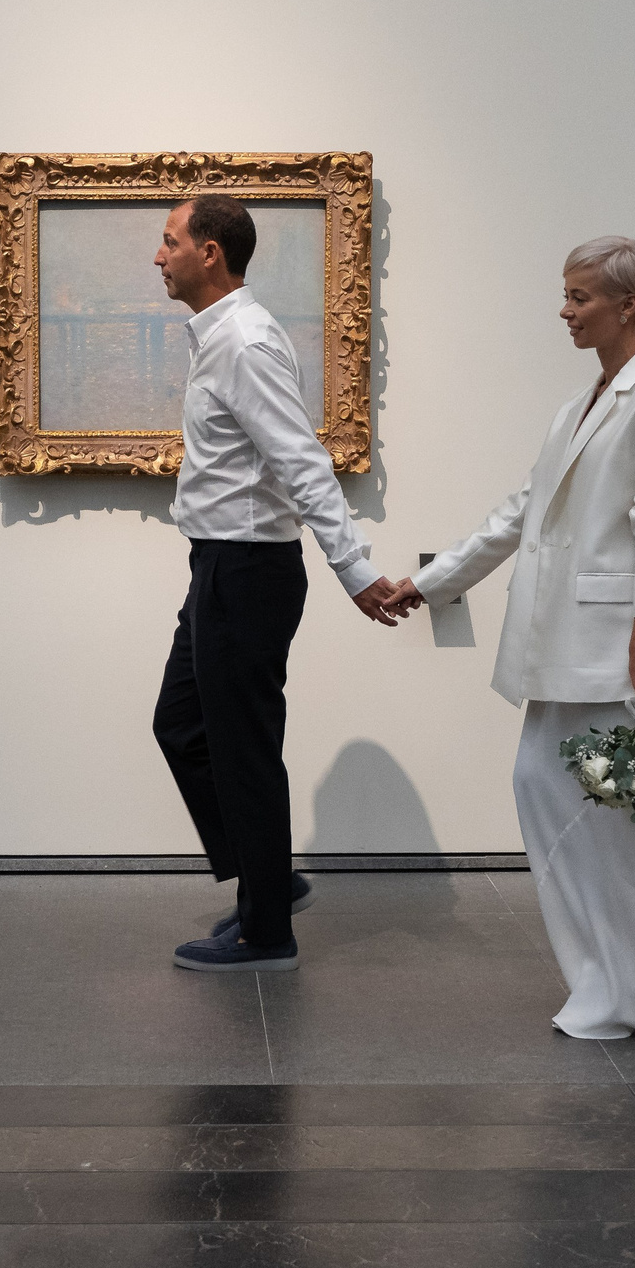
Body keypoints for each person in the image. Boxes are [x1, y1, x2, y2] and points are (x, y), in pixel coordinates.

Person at [393, 237, 635, 1043]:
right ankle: (604, 981)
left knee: (626, 820)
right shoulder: (579, 405)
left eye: (579, 296)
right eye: (566, 293)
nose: (564, 309)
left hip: (620, 655)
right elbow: (521, 511)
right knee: (539, 785)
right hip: (559, 646)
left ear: (627, 306)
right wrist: (431, 581)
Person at [151, 194, 410, 973]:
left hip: (250, 567)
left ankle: (267, 933)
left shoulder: (246, 342)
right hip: (218, 565)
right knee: (181, 724)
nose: (158, 257)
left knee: (245, 750)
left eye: (169, 242)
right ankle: (268, 877)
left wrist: (356, 571)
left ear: (211, 254)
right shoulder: (219, 337)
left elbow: (303, 463)